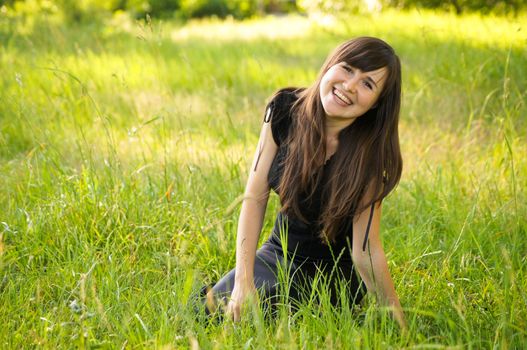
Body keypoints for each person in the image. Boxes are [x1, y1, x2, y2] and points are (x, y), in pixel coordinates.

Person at [200, 37, 406, 330]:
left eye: (367, 84)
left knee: (262, 322)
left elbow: (366, 251)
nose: (349, 86)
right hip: (276, 252)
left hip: (331, 274)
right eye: (347, 69)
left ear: (376, 105)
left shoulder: (370, 157)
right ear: (330, 65)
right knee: (207, 310)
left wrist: (397, 323)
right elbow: (254, 198)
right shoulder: (284, 110)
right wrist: (243, 282)